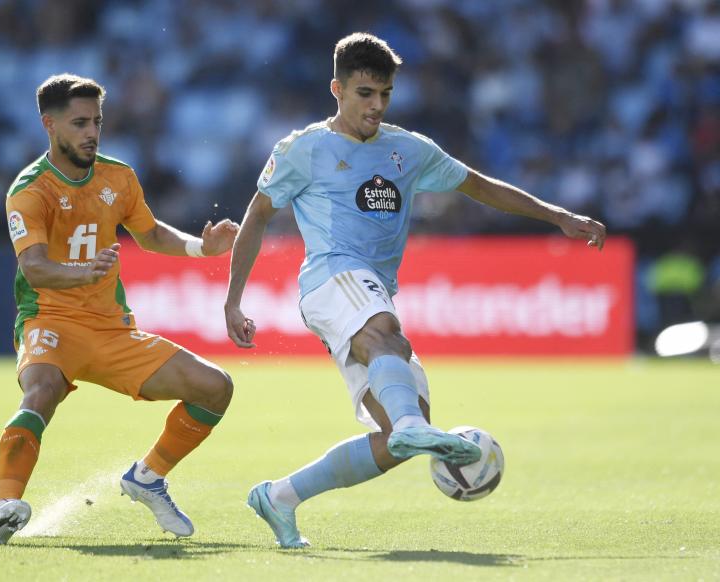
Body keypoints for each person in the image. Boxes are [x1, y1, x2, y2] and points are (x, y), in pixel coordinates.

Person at [224, 32, 606, 548]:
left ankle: (281, 497)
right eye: (365, 93)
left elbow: (478, 184)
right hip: (329, 278)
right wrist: (233, 298)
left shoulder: (409, 149)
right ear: (337, 89)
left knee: (398, 438)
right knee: (388, 335)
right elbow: (258, 214)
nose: (376, 105)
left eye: (384, 94)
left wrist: (556, 216)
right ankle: (406, 421)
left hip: (372, 287)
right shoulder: (303, 148)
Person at [0, 74, 239, 544]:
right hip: (50, 320)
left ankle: (147, 477)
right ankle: (5, 508)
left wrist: (203, 249)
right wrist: (81, 274)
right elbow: (36, 269)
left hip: (111, 330)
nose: (91, 132)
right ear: (50, 125)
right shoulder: (29, 190)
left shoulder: (118, 176)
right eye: (79, 123)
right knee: (40, 392)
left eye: (97, 121)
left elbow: (151, 234)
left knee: (215, 387)